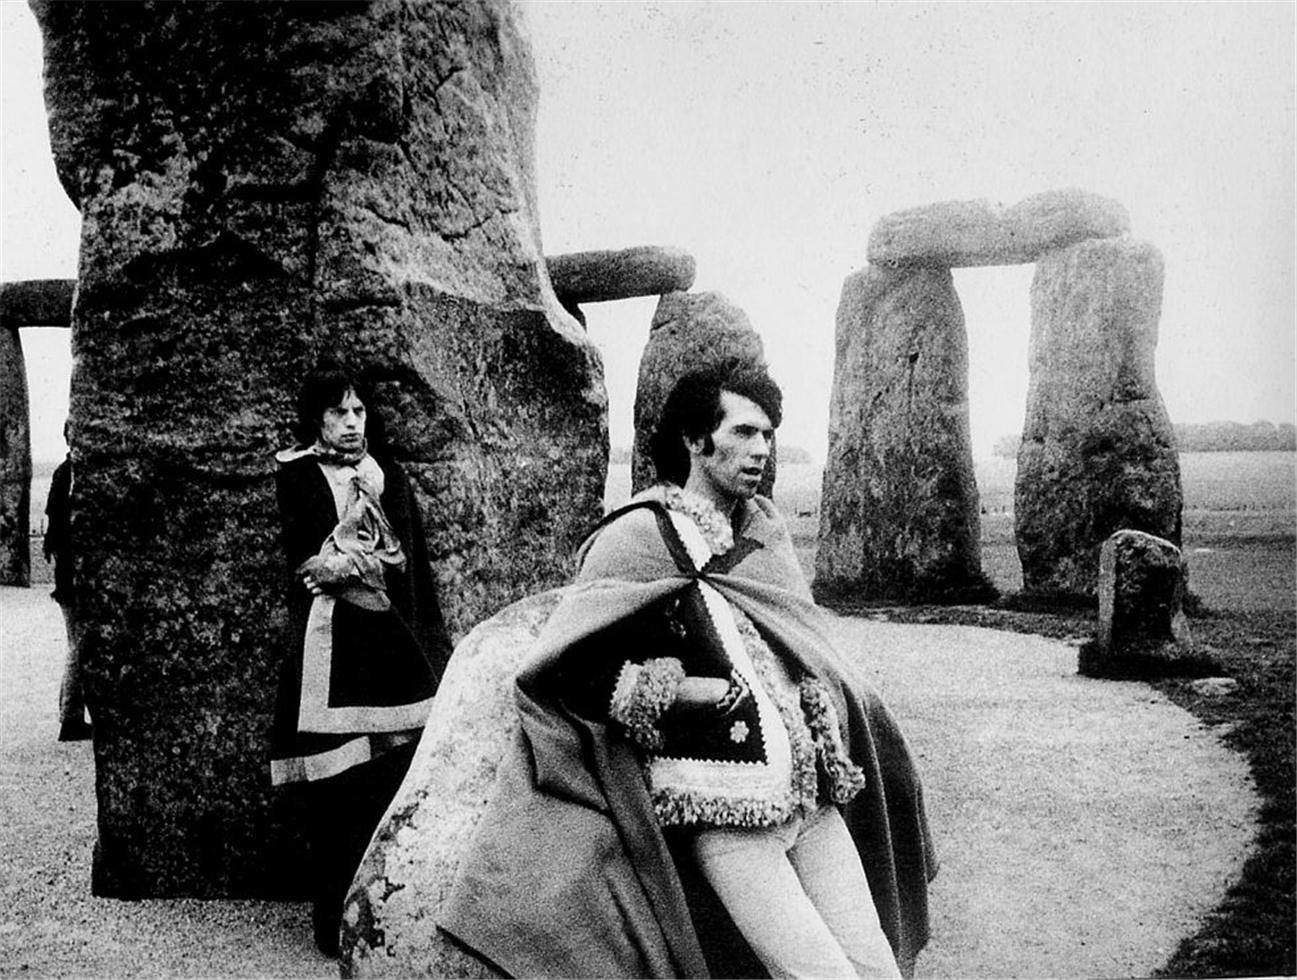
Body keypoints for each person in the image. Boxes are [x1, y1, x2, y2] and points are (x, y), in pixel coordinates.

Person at [441, 360, 937, 978]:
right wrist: (680, 691)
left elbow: (802, 644)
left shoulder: (761, 536)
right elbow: (577, 671)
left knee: (877, 968)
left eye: (767, 436)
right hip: (723, 811)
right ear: (694, 442)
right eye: (743, 433)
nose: (761, 450)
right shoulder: (637, 537)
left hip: (812, 801)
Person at [269, 363, 453, 956]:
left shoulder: (386, 476)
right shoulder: (295, 475)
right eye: (337, 413)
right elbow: (305, 561)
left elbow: (404, 563)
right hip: (327, 649)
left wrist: (353, 563)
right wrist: (346, 561)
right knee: (333, 788)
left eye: (358, 412)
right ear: (316, 419)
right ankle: (331, 920)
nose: (351, 423)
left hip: (387, 648)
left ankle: (378, 916)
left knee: (384, 784)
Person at [44, 425, 90, 742]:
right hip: (74, 575)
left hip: (65, 573)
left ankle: (69, 712)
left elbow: (51, 528)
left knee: (77, 642)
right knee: (80, 645)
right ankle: (70, 718)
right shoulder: (73, 474)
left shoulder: (62, 472)